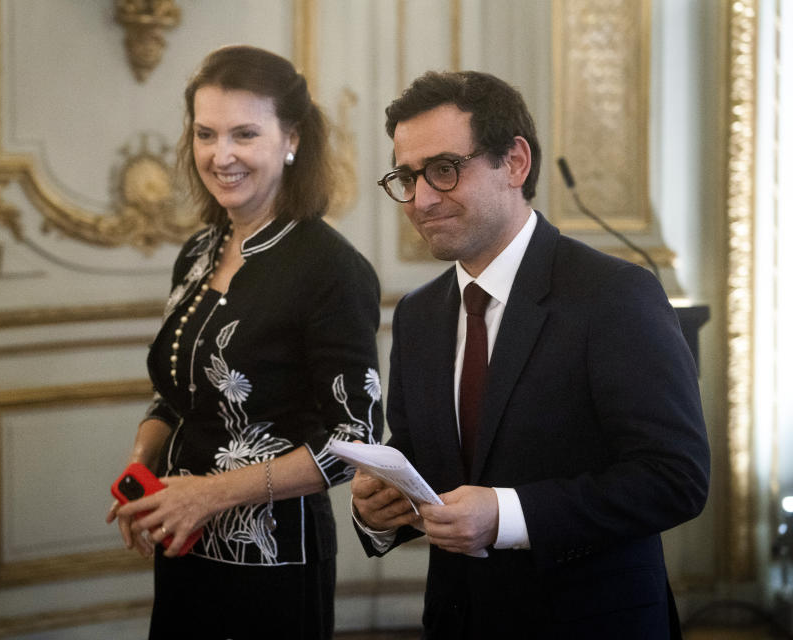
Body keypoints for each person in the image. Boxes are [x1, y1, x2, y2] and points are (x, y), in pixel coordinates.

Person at [351, 70, 710, 638]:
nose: (420, 199)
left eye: (443, 170)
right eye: (406, 177)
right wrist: (380, 510)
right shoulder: (418, 315)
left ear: (514, 163)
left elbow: (674, 479)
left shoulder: (614, 295)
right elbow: (434, 461)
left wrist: (507, 516)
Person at [106, 45, 382, 639]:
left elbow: (354, 441)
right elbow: (176, 396)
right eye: (206, 134)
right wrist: (140, 477)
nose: (220, 155)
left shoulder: (331, 269)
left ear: (292, 139)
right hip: (181, 544)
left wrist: (208, 494)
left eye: (244, 134)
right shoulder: (197, 252)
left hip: (275, 563)